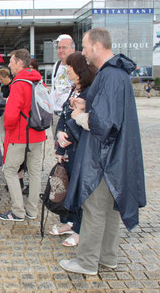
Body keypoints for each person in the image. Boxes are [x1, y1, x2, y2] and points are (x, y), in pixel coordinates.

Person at [60, 28, 146, 275]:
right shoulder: (117, 74)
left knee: (94, 208)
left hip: (102, 158)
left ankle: (86, 262)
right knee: (109, 210)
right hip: (115, 158)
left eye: (85, 47)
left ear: (97, 46)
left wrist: (79, 116)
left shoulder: (109, 76)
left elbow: (104, 124)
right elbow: (111, 114)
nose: (83, 52)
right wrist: (89, 105)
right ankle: (108, 257)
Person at [50, 52, 96, 247]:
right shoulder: (73, 90)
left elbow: (91, 124)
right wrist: (59, 134)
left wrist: (72, 124)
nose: (66, 69)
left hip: (81, 150)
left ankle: (79, 229)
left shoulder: (89, 93)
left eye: (69, 66)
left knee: (79, 189)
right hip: (67, 149)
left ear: (79, 69)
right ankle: (70, 221)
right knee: (68, 187)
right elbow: (63, 116)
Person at [0, 49, 46, 221]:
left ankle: (18, 211)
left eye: (11, 61)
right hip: (38, 134)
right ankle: (32, 211)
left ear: (19, 62)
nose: (9, 65)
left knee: (10, 170)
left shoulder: (19, 84)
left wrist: (8, 128)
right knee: (34, 173)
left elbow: (10, 117)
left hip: (20, 135)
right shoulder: (39, 81)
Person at [50, 35, 76, 139]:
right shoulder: (56, 65)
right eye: (59, 48)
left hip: (71, 115)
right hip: (56, 115)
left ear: (72, 49)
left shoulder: (77, 65)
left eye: (64, 47)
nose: (61, 50)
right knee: (58, 149)